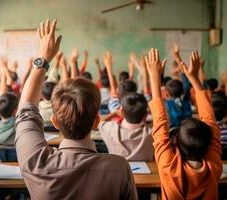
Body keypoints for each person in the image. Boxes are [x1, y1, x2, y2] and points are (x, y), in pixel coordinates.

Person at [15, 19, 137, 200]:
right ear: (97, 122)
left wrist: (43, 58)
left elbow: (26, 110)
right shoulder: (119, 168)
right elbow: (26, 111)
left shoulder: (36, 163)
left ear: (55, 122)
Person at [146, 48, 222, 199]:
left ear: (176, 143)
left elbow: (210, 122)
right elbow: (211, 121)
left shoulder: (169, 166)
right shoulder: (214, 166)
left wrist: (154, 78)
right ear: (210, 142)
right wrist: (194, 77)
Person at [99, 92, 154, 161]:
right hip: (150, 170)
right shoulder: (153, 131)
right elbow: (163, 119)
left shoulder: (109, 128)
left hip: (117, 169)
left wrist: (115, 113)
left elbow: (99, 122)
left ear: (121, 111)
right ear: (146, 115)